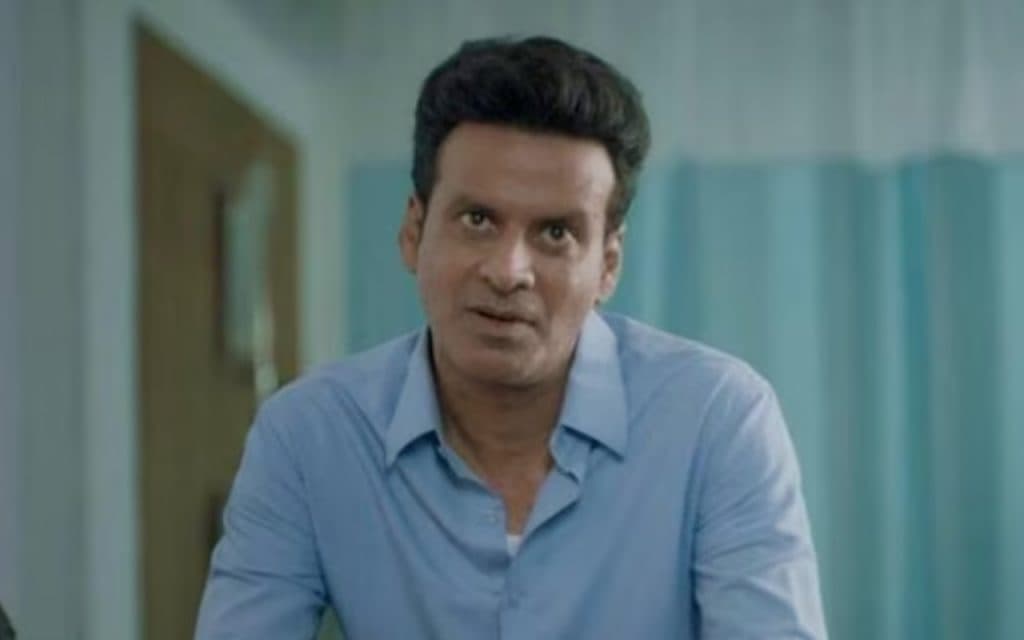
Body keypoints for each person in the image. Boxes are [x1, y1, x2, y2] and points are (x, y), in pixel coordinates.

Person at [195, 36, 827, 639]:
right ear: (414, 233)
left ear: (607, 266)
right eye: (477, 219)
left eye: (556, 234)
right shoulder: (308, 436)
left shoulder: (717, 419)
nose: (508, 272)